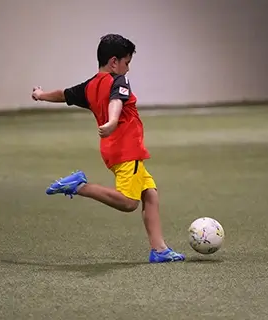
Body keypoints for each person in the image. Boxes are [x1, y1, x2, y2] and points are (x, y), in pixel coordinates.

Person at [31, 34, 185, 263]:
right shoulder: (118, 81)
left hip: (113, 150)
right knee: (129, 202)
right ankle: (80, 186)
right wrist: (113, 121)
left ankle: (159, 249)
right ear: (114, 62)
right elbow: (117, 101)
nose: (128, 69)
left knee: (150, 194)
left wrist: (41, 95)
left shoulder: (90, 86)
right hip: (126, 150)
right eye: (127, 62)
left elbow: (64, 94)